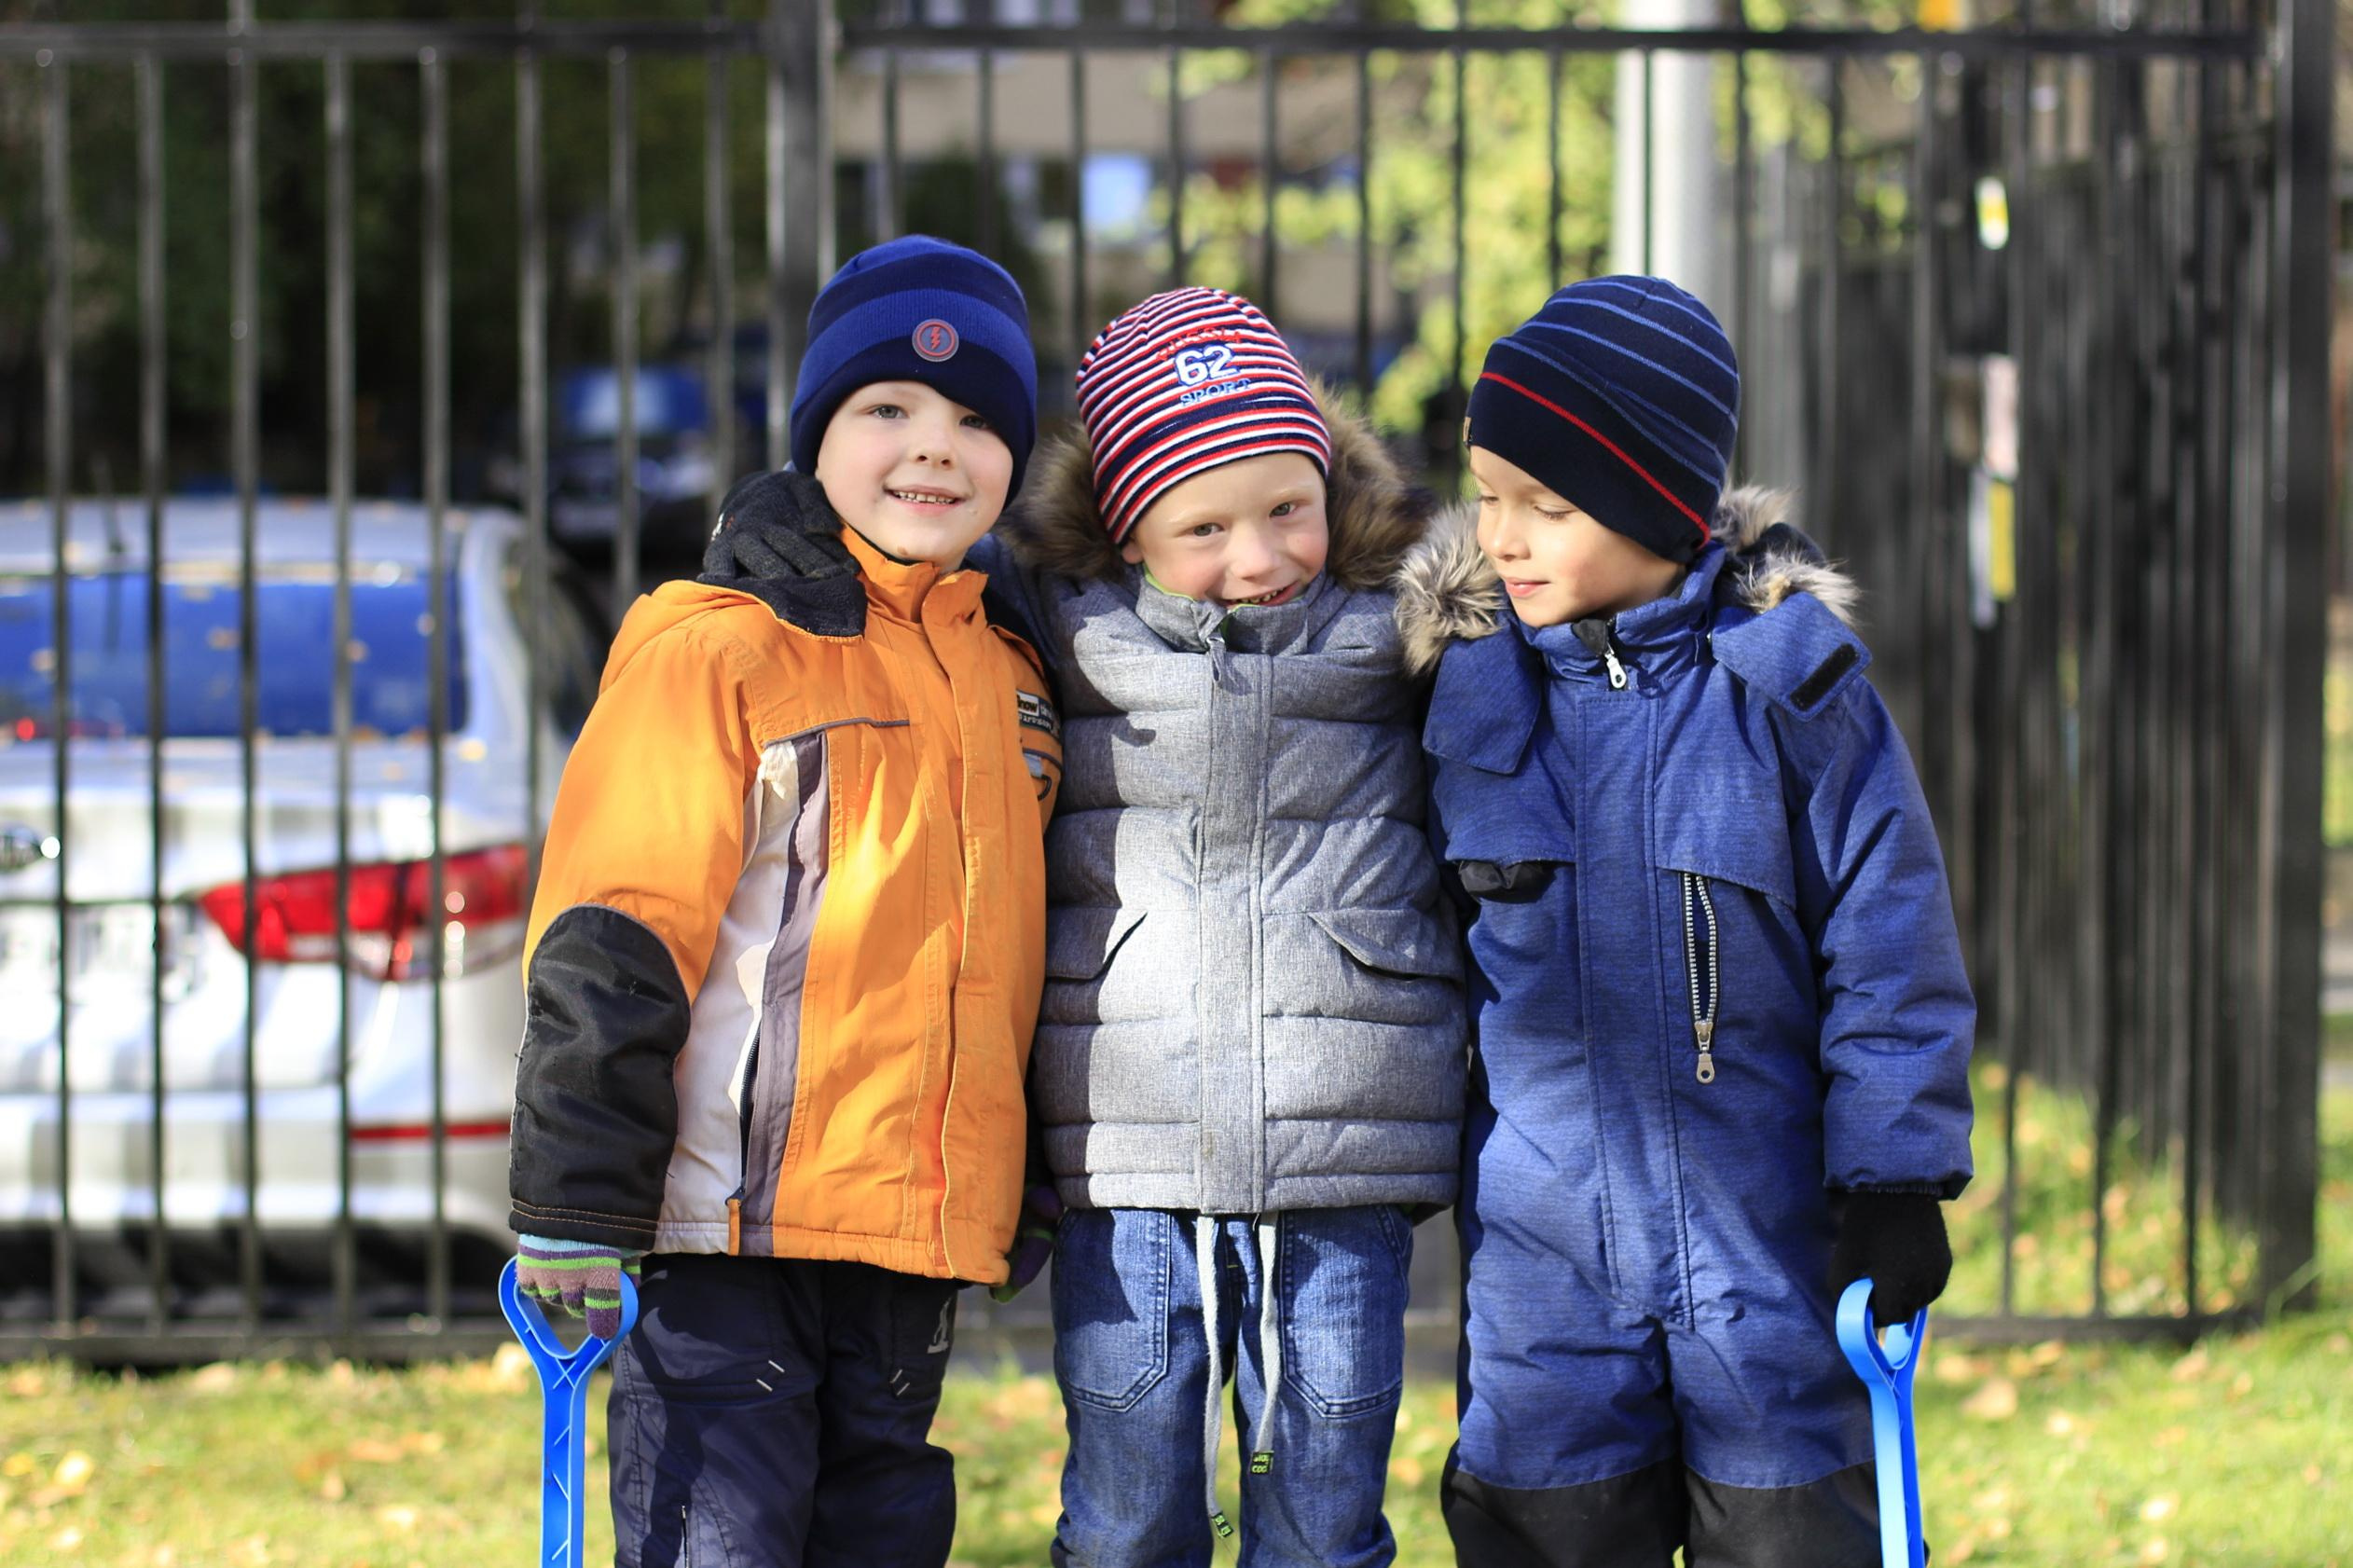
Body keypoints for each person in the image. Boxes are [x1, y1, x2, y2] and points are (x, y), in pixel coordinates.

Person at [724, 283, 1469, 1568]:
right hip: (1127, 1158)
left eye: (1289, 507)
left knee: (1329, 1508)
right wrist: (789, 534)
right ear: (1127, 535)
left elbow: (1567, 609)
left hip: (1344, 1139)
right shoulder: (1061, 635)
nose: (1258, 555)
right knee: (1127, 1512)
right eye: (1204, 526)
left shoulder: (1393, 636)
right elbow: (903, 589)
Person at [1394, 275, 1975, 1568]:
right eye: (1488, 495)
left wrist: (1895, 1175)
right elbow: (1415, 956)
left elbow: (1890, 939)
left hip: (1763, 1253)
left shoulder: (1790, 693)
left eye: (1548, 505)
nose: (1503, 536)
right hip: (1545, 1267)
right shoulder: (1472, 704)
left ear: (1660, 503)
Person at [505, 234, 1061, 1568]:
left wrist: (1021, 1166)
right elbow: (613, 928)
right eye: (889, 409)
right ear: (816, 432)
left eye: (979, 420)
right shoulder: (721, 648)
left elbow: (1007, 950)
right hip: (724, 1235)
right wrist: (577, 1205)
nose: (935, 446)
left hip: (908, 1240)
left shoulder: (1014, 671)